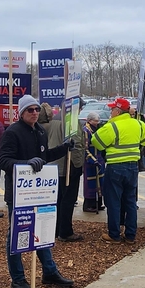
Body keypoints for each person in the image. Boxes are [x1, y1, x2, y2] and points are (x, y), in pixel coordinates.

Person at [0, 93, 75, 288]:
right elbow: (4, 161)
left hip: (38, 192)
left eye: (36, 109)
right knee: (17, 235)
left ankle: (49, 271)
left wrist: (63, 149)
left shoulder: (40, 131)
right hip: (18, 193)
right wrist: (26, 164)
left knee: (41, 231)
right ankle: (18, 279)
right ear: (21, 113)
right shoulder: (12, 133)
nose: (34, 113)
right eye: (30, 110)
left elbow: (44, 157)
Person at [91, 97, 145, 242]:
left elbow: (96, 142)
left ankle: (114, 234)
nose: (110, 111)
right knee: (130, 201)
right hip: (133, 167)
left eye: (112, 109)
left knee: (113, 202)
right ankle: (131, 235)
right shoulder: (138, 124)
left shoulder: (112, 126)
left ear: (118, 111)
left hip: (115, 167)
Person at [47, 102, 85, 241]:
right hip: (68, 165)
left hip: (54, 164)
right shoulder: (72, 122)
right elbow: (76, 144)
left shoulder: (55, 118)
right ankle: (65, 231)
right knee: (68, 199)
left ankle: (56, 229)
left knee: (58, 199)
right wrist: (78, 163)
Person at [82, 111, 106, 213]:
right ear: (90, 120)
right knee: (90, 184)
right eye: (95, 121)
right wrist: (92, 159)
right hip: (90, 161)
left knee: (100, 183)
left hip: (99, 159)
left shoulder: (97, 129)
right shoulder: (86, 131)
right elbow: (84, 148)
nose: (97, 122)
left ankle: (98, 203)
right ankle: (89, 205)